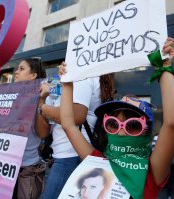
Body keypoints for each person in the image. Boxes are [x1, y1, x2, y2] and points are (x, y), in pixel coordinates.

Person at [60, 37, 174, 199]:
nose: (121, 132)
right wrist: (67, 82)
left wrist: (164, 68)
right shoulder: (97, 161)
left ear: (146, 130)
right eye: (113, 124)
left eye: (133, 126)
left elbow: (173, 122)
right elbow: (68, 124)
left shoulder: (152, 169)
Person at [37, 71, 114, 199]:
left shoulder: (82, 75)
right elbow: (43, 132)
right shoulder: (84, 77)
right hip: (66, 154)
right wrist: (43, 101)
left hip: (70, 155)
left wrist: (42, 107)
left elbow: (76, 116)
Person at [11, 57, 48, 199]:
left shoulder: (42, 96)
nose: (16, 72)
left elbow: (43, 133)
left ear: (33, 76)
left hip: (26, 168)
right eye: (17, 68)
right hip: (3, 163)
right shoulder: (7, 94)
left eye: (21, 69)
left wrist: (41, 100)